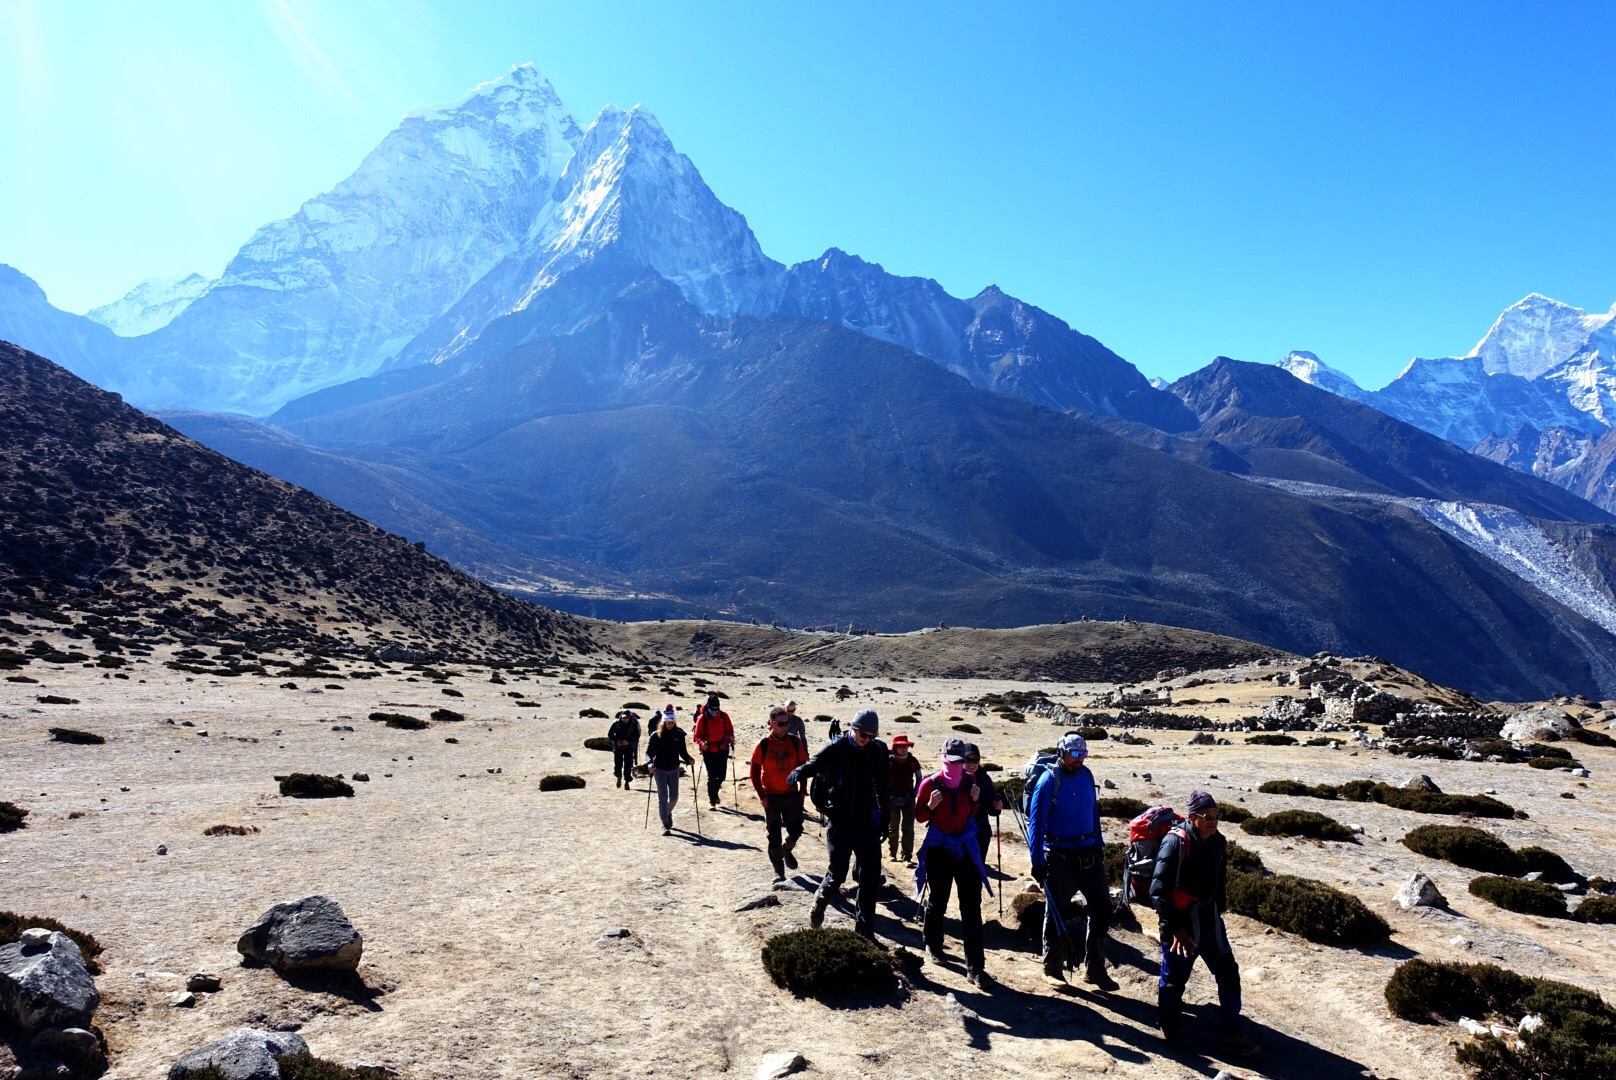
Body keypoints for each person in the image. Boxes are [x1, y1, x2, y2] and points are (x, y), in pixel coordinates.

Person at [1151, 790, 1258, 1057]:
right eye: (1207, 816)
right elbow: (1158, 890)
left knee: (1228, 972)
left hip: (1209, 919)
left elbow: (1218, 880)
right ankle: (1171, 1028)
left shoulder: (1218, 842)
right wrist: (1175, 928)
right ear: (1192, 817)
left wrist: (1219, 910)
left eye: (1216, 815)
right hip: (1181, 923)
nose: (1213, 821)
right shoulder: (1175, 843)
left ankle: (1233, 1031)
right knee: (1175, 979)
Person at [790, 709, 890, 939]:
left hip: (866, 820)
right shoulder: (837, 748)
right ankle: (820, 902)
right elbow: (816, 763)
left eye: (872, 736)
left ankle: (865, 933)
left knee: (870, 876)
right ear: (853, 729)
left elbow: (884, 786)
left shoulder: (876, 750)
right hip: (840, 820)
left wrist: (885, 819)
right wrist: (799, 771)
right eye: (864, 735)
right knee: (838, 873)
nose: (867, 740)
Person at [1027, 731, 1116, 990]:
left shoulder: (1087, 776)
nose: (1079, 759)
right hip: (1059, 856)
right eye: (1074, 754)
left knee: (1101, 908)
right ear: (1062, 753)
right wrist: (1037, 861)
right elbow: (1036, 823)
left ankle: (1095, 969)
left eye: (1083, 754)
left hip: (1089, 853)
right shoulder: (1048, 780)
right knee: (1056, 911)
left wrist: (1099, 845)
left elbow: (1093, 812)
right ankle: (1052, 967)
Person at [914, 737, 993, 986]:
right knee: (939, 899)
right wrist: (930, 804)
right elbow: (919, 816)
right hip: (939, 847)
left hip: (966, 846)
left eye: (960, 761)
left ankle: (975, 967)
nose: (956, 766)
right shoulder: (930, 783)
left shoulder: (971, 782)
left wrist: (976, 800)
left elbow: (971, 812)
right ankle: (933, 945)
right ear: (943, 758)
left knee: (971, 905)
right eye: (952, 761)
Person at [750, 705, 810, 880]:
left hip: (792, 794)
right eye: (781, 724)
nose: (785, 727)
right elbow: (754, 772)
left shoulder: (794, 741)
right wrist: (762, 797)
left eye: (787, 723)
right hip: (772, 796)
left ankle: (787, 848)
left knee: (796, 829)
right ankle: (778, 871)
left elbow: (803, 767)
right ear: (771, 723)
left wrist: (802, 791)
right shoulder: (763, 744)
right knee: (773, 835)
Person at [645, 707, 694, 835]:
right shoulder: (656, 735)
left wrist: (689, 759)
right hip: (659, 769)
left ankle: (666, 812)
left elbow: (683, 752)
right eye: (668, 722)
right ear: (664, 722)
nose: (670, 724)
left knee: (674, 797)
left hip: (673, 769)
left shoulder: (679, 734)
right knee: (662, 797)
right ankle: (665, 825)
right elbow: (649, 753)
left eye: (672, 722)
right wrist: (650, 763)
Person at [692, 693, 734, 809]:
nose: (715, 711)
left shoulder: (723, 716)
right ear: (708, 707)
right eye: (712, 709)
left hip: (722, 749)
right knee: (712, 776)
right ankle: (712, 801)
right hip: (709, 750)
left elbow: (730, 730)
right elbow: (697, 736)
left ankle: (714, 795)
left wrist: (730, 737)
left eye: (717, 709)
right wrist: (702, 743)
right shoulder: (702, 719)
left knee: (721, 776)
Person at [964, 743, 1004, 862]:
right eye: (968, 759)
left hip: (981, 829)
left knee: (977, 867)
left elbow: (991, 810)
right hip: (961, 829)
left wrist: (997, 807)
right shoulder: (956, 778)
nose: (972, 764)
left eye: (975, 760)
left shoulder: (985, 779)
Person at [887, 734, 922, 863]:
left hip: (909, 799)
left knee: (908, 828)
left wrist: (915, 792)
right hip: (891, 799)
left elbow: (919, 777)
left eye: (906, 746)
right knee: (893, 827)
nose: (904, 749)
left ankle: (907, 856)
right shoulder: (889, 761)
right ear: (895, 747)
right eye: (901, 746)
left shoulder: (913, 761)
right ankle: (892, 853)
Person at [607, 710, 641, 790]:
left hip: (629, 748)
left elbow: (637, 736)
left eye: (627, 718)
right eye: (624, 717)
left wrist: (628, 742)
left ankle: (627, 782)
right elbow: (610, 734)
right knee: (618, 764)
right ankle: (619, 777)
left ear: (630, 717)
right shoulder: (616, 723)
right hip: (618, 747)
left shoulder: (634, 724)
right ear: (621, 716)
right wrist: (617, 741)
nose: (625, 719)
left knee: (628, 765)